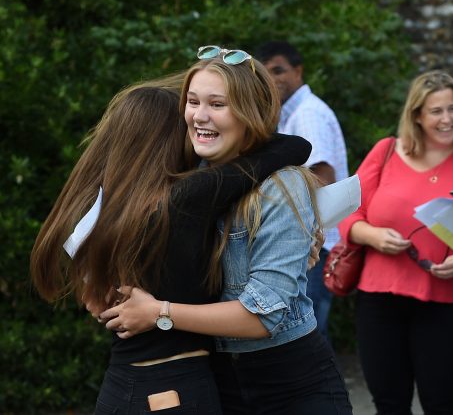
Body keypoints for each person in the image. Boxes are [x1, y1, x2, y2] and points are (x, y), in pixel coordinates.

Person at [29, 66, 312, 412]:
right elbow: (294, 146)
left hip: (123, 386)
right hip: (173, 389)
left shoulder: (101, 211)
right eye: (186, 120)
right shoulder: (184, 200)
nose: (194, 125)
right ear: (164, 140)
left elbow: (95, 298)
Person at [98, 47, 353, 415]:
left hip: (293, 385)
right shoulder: (186, 174)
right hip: (220, 381)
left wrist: (159, 312)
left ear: (249, 113)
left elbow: (262, 316)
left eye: (217, 104)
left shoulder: (281, 185)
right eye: (192, 101)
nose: (199, 116)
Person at [338, 70, 453, 414]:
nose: (447, 119)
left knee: (443, 403)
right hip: (380, 300)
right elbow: (346, 215)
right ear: (416, 115)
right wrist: (373, 235)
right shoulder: (385, 152)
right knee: (388, 403)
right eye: (436, 111)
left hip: (450, 302)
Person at [256, 40, 349, 339]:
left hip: (315, 246)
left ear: (298, 71)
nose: (273, 79)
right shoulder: (291, 113)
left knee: (306, 336)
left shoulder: (307, 113)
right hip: (310, 244)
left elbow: (323, 175)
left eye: (279, 70)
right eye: (265, 73)